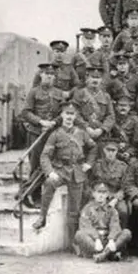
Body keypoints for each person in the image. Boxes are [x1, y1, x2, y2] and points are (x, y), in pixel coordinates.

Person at [34, 101, 98, 242]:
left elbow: (93, 147)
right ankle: (42, 216)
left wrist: (89, 163)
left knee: (74, 210)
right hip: (61, 170)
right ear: (62, 115)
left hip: (77, 172)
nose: (69, 116)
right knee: (49, 183)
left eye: (72, 114)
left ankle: (73, 242)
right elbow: (44, 155)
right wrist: (50, 171)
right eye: (67, 113)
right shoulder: (55, 134)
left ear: (75, 116)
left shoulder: (81, 133)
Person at [22, 63, 64, 201]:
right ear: (41, 75)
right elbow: (26, 112)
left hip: (53, 134)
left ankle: (43, 196)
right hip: (36, 134)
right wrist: (41, 122)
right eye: (47, 74)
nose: (49, 77)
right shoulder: (34, 92)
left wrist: (54, 122)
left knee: (49, 164)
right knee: (36, 165)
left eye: (52, 75)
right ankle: (33, 196)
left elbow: (63, 113)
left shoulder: (59, 93)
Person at [73, 181, 132, 262]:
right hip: (94, 242)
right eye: (98, 192)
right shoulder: (87, 208)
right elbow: (86, 226)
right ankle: (109, 253)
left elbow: (115, 225)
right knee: (79, 234)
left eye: (104, 193)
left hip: (107, 241)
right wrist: (96, 239)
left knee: (127, 232)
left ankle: (102, 255)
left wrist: (111, 240)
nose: (101, 195)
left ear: (107, 194)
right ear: (94, 194)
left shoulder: (111, 209)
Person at [87, 138, 129, 228]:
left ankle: (122, 236)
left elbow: (124, 187)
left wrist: (116, 199)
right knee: (90, 209)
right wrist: (96, 196)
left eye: (113, 150)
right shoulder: (97, 165)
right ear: (104, 150)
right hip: (99, 195)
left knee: (123, 211)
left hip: (115, 196)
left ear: (117, 151)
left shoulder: (122, 166)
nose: (110, 153)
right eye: (108, 150)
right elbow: (90, 183)